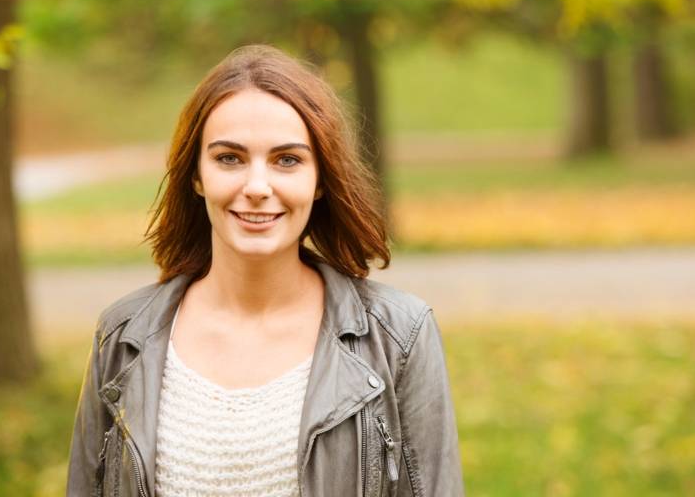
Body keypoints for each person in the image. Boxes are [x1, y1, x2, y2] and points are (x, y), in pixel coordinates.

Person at [66, 44, 464, 497]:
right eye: (229, 158)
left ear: (320, 181)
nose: (257, 187)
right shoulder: (120, 336)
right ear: (196, 175)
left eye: (287, 160)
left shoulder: (399, 337)